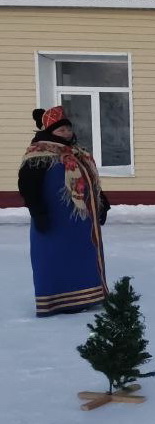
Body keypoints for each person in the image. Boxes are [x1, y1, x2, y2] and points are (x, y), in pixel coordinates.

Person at [18, 107, 110, 317]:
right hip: (54, 220)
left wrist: (102, 203)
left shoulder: (77, 153)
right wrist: (38, 213)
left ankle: (88, 296)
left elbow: (91, 182)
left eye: (68, 129)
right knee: (54, 258)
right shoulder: (38, 155)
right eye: (61, 130)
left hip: (81, 222)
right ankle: (57, 301)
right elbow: (28, 186)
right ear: (49, 132)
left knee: (83, 256)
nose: (67, 133)